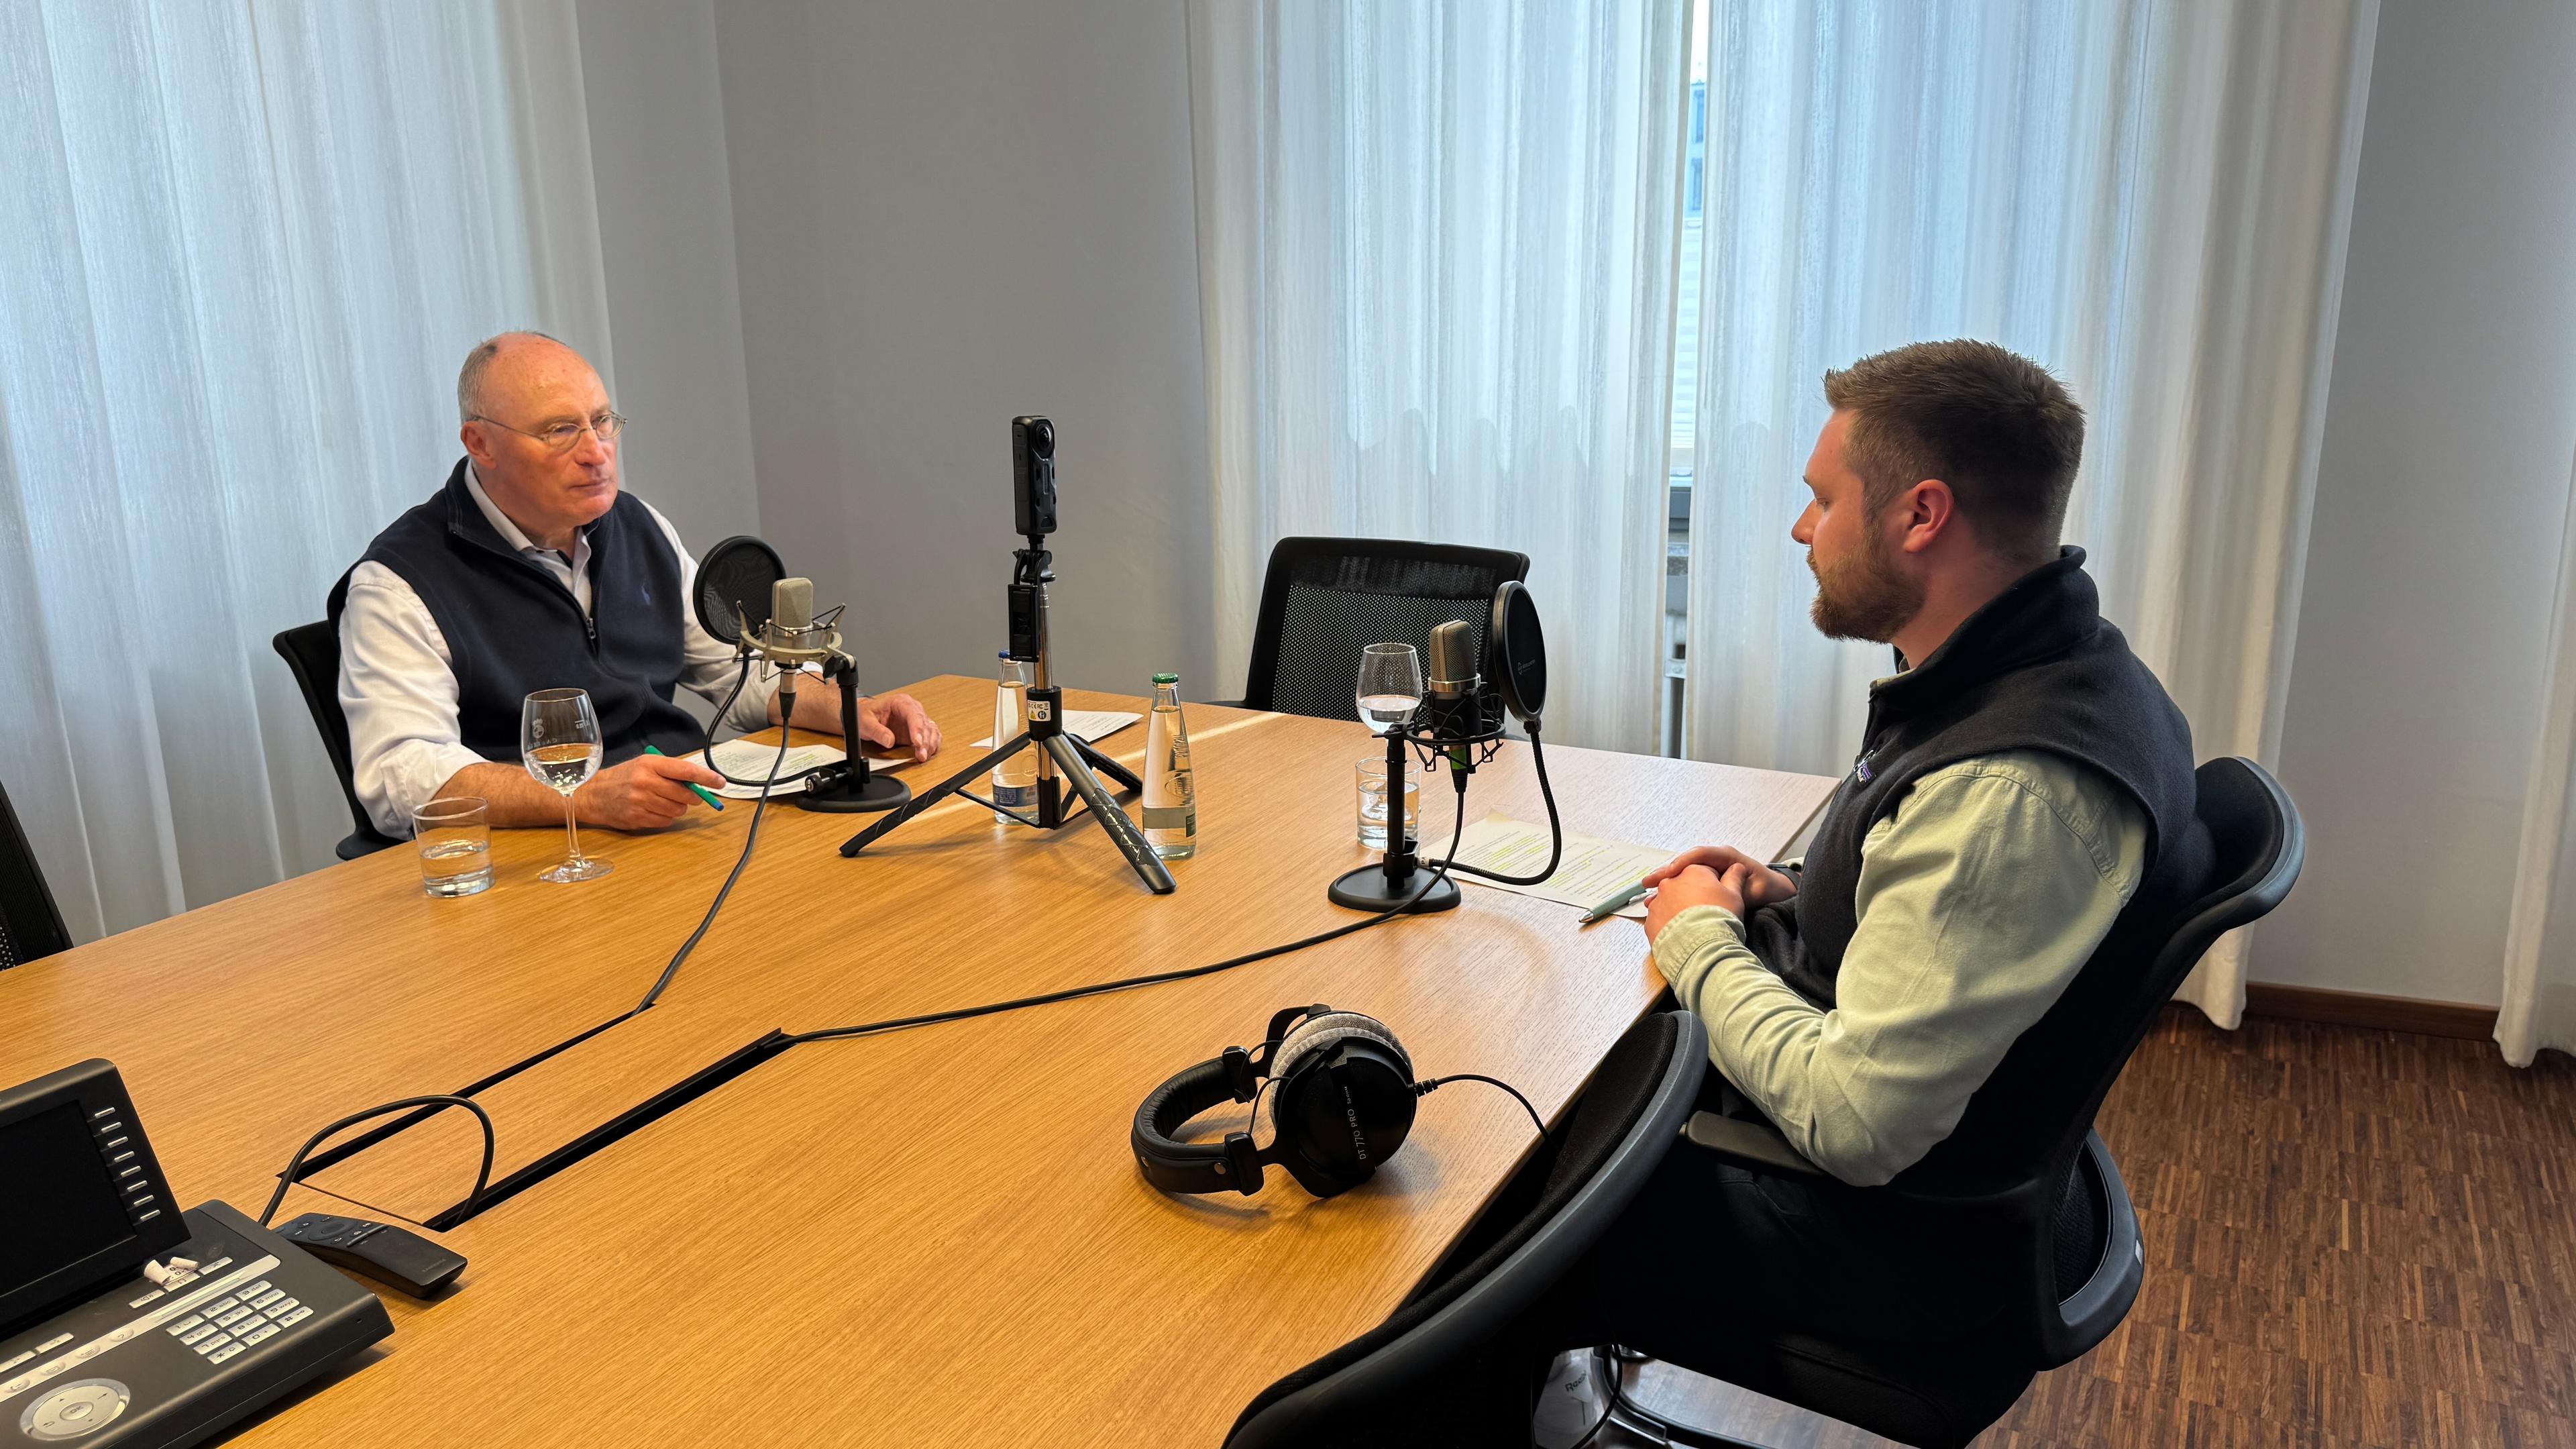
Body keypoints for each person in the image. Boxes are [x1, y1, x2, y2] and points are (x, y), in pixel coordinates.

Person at [1459, 340, 2211, 1433]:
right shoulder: (2056, 671)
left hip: (1886, 1240)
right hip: (1926, 1165)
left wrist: (1701, 943)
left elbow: (1854, 1123)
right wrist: (1789, 892)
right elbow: (1942, 905)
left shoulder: (2011, 795)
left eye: (1822, 499)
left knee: (1483, 1181)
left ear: (1922, 515)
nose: (1801, 530)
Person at [331, 331, 938, 838]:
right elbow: (399, 776)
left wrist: (845, 709)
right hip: (542, 862)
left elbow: (735, 667)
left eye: (602, 422)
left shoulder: (636, 525)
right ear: (480, 444)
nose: (596, 453)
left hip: (675, 828)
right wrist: (587, 797)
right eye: (559, 431)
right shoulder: (399, 582)